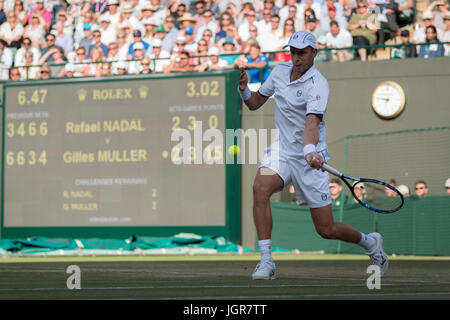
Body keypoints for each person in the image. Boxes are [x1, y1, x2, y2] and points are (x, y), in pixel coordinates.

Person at [238, 30, 389, 281]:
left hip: (310, 157)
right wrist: (244, 91)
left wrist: (309, 151)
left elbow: (311, 125)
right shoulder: (278, 72)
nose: (296, 58)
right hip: (282, 151)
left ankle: (371, 244)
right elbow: (255, 103)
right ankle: (266, 261)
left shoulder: (318, 84)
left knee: (326, 229)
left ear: (314, 53)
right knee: (260, 187)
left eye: (302, 53)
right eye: (293, 52)